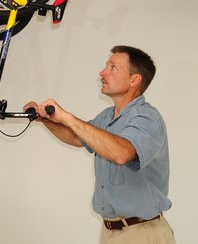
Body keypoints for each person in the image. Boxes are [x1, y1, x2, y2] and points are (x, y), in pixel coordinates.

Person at [25, 45, 175, 243]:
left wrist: (67, 117)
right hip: (111, 232)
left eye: (113, 68)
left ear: (134, 80)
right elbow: (77, 137)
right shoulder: (107, 117)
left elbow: (122, 152)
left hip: (141, 234)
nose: (102, 72)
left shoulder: (147, 118)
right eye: (106, 66)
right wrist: (45, 120)